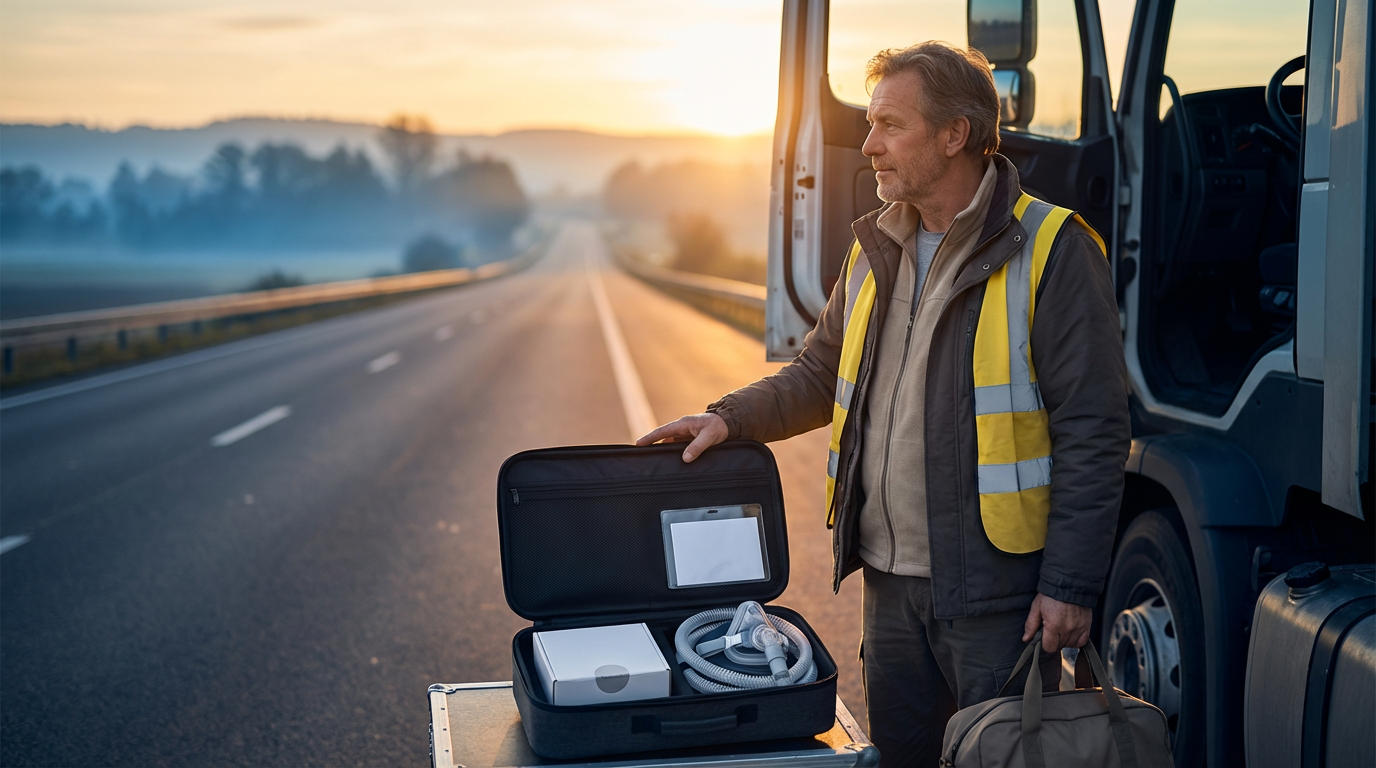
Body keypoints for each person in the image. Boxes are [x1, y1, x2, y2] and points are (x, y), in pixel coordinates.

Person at [637, 41, 1130, 767]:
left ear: (954, 135)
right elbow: (818, 373)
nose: (868, 146)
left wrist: (1069, 587)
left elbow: (1094, 431)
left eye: (890, 126)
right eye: (871, 125)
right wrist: (729, 418)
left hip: (997, 601)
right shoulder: (874, 248)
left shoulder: (1051, 249)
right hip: (890, 593)